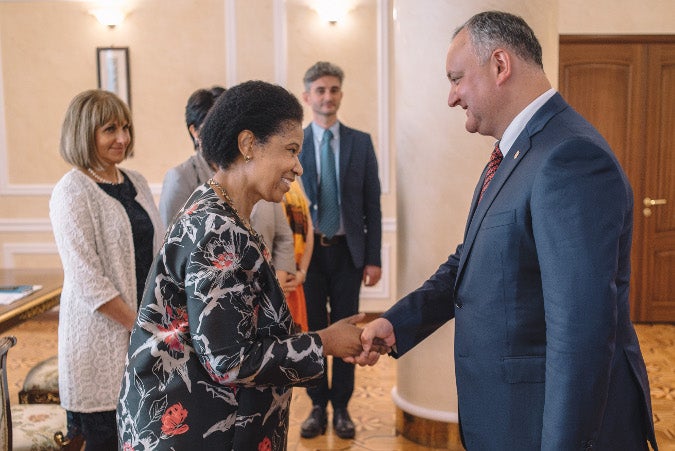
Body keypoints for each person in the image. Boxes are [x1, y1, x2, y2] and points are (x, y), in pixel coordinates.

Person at [357, 11, 658, 451]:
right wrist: (396, 322)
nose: (451, 97)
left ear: (500, 65)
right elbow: (472, 261)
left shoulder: (569, 157)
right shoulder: (515, 151)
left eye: (457, 78)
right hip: (507, 415)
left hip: (542, 425)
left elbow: (581, 334)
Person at [117, 80, 368, 450]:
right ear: (248, 144)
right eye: (291, 150)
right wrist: (324, 343)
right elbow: (228, 360)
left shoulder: (222, 212)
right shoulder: (216, 229)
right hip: (196, 431)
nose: (298, 166)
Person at [49, 89, 164, 450]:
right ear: (85, 133)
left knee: (145, 435)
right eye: (110, 129)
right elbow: (87, 279)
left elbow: (158, 252)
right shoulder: (72, 190)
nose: (123, 138)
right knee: (108, 441)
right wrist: (140, 326)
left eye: (126, 127)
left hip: (145, 334)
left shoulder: (137, 182)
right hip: (99, 342)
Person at [298, 61, 382, 440]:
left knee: (348, 329)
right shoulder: (295, 143)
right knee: (316, 329)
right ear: (307, 97)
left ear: (341, 95)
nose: (327, 97)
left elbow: (372, 205)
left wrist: (374, 257)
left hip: (349, 252)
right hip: (308, 256)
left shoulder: (360, 142)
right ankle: (317, 405)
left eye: (333, 89)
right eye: (320, 90)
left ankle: (343, 407)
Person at [159, 86, 297, 282]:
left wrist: (276, 285)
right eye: (214, 125)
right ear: (195, 132)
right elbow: (172, 250)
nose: (224, 132)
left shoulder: (257, 172)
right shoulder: (182, 178)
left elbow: (283, 236)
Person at [281, 178, 314, 332]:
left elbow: (309, 229)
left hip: (290, 283)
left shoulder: (293, 181)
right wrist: (301, 271)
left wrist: (302, 272)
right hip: (284, 282)